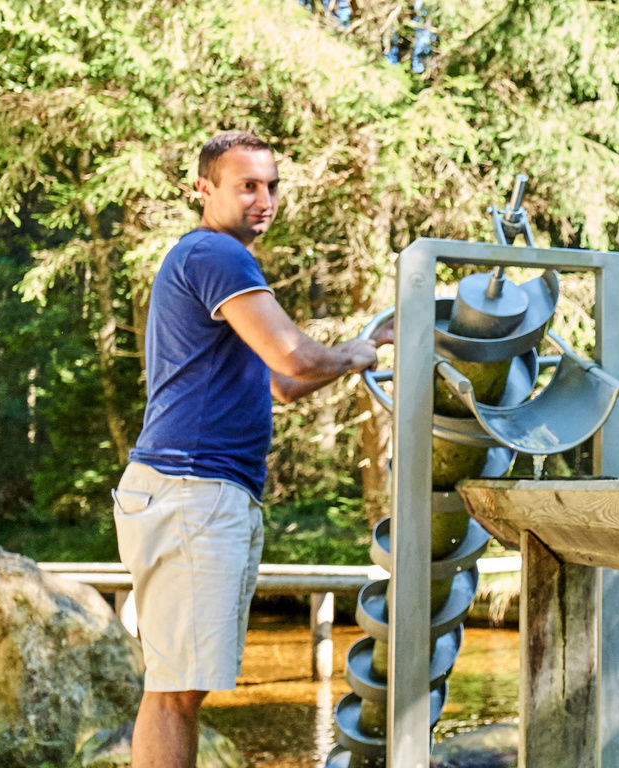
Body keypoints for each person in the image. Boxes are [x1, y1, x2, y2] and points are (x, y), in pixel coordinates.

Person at [112, 131, 389, 768]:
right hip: (191, 492)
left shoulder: (216, 265)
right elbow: (296, 355)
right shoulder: (217, 254)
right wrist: (358, 352)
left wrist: (368, 341)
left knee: (178, 688)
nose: (263, 199)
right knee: (175, 693)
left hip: (197, 493)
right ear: (204, 190)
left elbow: (287, 383)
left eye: (270, 186)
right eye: (246, 186)